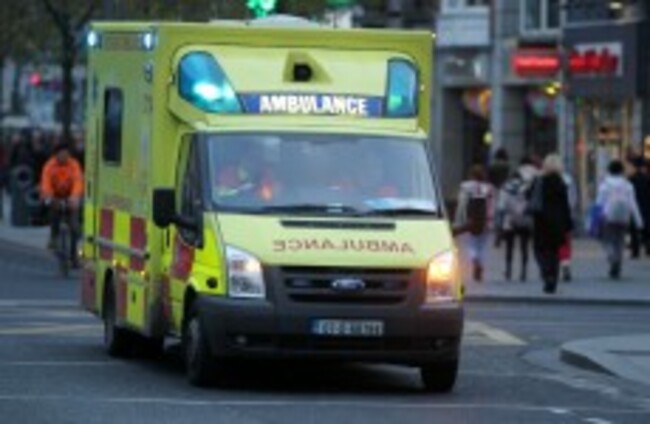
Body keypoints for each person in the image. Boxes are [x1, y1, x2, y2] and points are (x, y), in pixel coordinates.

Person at [529, 154, 572, 294]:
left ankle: (546, 273)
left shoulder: (539, 181)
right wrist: (568, 223)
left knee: (540, 250)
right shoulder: (562, 183)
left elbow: (530, 197)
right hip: (558, 222)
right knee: (554, 251)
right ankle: (553, 277)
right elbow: (566, 205)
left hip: (541, 220)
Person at [597, 159, 643, 279]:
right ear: (622, 171)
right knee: (620, 240)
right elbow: (633, 203)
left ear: (609, 171)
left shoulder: (605, 185)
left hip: (608, 215)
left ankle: (612, 258)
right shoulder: (628, 185)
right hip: (623, 216)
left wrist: (595, 217)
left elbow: (599, 202)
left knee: (607, 239)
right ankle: (618, 261)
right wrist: (638, 221)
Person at [40, 143, 84, 267]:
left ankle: (73, 255)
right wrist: (49, 196)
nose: (64, 157)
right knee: (53, 213)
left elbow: (78, 181)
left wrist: (75, 197)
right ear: (57, 155)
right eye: (62, 154)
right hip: (55, 196)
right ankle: (53, 237)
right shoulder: (49, 166)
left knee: (74, 226)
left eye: (67, 154)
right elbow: (46, 182)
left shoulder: (74, 165)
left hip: (70, 196)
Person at [455, 164, 494, 283]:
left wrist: (459, 220)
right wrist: (491, 220)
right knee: (482, 246)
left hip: (470, 220)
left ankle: (475, 260)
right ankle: (479, 265)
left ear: (471, 174)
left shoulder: (465, 186)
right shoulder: (489, 187)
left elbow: (462, 204)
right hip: (485, 220)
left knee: (471, 245)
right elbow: (492, 205)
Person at [497, 169, 534, 282]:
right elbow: (531, 204)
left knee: (509, 246)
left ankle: (509, 270)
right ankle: (523, 271)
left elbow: (501, 207)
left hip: (509, 220)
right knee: (524, 247)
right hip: (524, 220)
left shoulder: (505, 188)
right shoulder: (527, 188)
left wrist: (499, 226)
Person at [628, 156, 650, 258]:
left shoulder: (631, 179)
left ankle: (635, 250)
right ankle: (648, 247)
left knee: (634, 229)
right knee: (647, 228)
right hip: (646, 206)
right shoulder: (647, 179)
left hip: (634, 205)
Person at [488, 148, 511, 247]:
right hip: (505, 188)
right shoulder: (507, 165)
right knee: (503, 211)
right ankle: (502, 231)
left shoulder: (493, 165)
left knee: (496, 211)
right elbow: (509, 177)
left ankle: (497, 232)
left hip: (495, 188)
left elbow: (489, 177)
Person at [559, 170, 578, 282]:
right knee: (565, 241)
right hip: (565, 215)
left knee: (550, 243)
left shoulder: (543, 179)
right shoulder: (568, 180)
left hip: (548, 217)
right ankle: (565, 263)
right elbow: (573, 199)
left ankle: (551, 267)